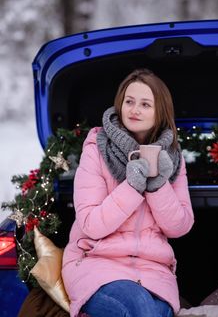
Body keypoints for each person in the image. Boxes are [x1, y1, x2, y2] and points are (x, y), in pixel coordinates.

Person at [62, 68, 194, 317]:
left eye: (145, 104)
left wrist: (157, 185)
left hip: (154, 270)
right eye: (129, 101)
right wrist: (132, 186)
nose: (135, 110)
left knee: (153, 310)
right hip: (96, 264)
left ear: (160, 111)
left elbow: (180, 226)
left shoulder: (173, 159)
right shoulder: (96, 151)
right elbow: (91, 225)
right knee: (141, 308)